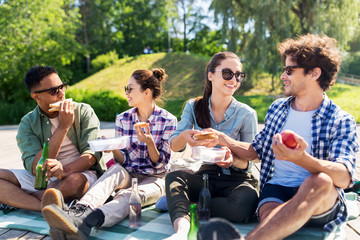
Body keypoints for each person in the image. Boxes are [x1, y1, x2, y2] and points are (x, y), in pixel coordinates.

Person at [219, 34, 358, 240]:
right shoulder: (277, 109)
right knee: (270, 214)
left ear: (314, 73)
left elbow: (344, 177)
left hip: (320, 199)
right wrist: (222, 139)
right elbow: (256, 150)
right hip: (277, 189)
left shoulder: (340, 119)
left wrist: (302, 159)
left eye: (289, 70)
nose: (283, 76)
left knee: (319, 181)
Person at [41, 68, 177, 239]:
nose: (126, 93)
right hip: (128, 173)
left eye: (130, 89)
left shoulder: (168, 120)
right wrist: (113, 147)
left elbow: (161, 163)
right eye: (125, 89)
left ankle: (85, 222)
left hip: (156, 178)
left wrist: (150, 143)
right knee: (114, 171)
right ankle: (77, 213)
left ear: (147, 92)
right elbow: (122, 161)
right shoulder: (123, 118)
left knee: (129, 195)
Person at [165, 51, 259, 239]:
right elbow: (174, 145)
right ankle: (182, 232)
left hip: (237, 179)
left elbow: (251, 160)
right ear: (210, 75)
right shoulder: (194, 106)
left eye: (239, 75)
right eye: (227, 74)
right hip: (205, 175)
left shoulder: (247, 114)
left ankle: (191, 204)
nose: (234, 79)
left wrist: (232, 159)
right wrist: (185, 136)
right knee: (174, 178)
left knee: (244, 204)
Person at [0, 65, 106, 212]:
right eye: (54, 91)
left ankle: (23, 199)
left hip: (78, 172)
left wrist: (64, 170)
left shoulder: (83, 111)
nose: (61, 94)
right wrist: (63, 127)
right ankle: (44, 205)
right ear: (37, 97)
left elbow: (92, 155)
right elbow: (35, 168)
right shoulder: (28, 122)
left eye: (62, 87)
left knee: (74, 182)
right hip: (42, 177)